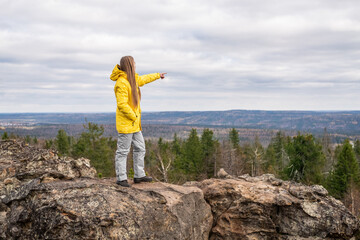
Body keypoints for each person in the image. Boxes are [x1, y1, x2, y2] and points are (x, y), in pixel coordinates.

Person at [110, 56, 166, 187]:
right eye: (134, 63)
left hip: (134, 125)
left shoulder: (132, 79)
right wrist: (134, 116)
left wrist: (158, 75)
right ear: (129, 65)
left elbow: (144, 79)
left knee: (140, 148)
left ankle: (139, 175)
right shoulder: (121, 83)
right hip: (127, 123)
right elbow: (122, 105)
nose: (135, 65)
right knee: (123, 151)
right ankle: (121, 178)